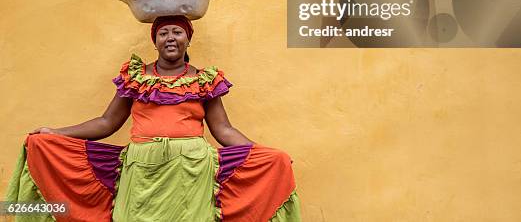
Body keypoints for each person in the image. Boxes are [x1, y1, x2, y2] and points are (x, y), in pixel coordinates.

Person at [5, 16, 301, 221]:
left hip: (192, 172)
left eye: (177, 32)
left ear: (188, 38)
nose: (170, 38)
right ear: (155, 40)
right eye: (163, 33)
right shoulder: (135, 78)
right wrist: (56, 133)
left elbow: (224, 130)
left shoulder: (203, 80)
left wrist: (261, 153)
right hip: (141, 170)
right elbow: (107, 123)